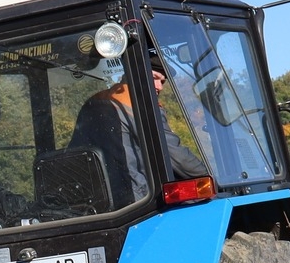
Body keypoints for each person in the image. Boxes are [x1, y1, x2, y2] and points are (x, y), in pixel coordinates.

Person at [68, 49, 210, 205]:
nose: (160, 87)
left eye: (162, 81)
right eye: (155, 78)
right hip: (136, 197)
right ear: (135, 76)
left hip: (92, 198)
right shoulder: (139, 105)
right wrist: (209, 176)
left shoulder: (97, 101)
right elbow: (173, 154)